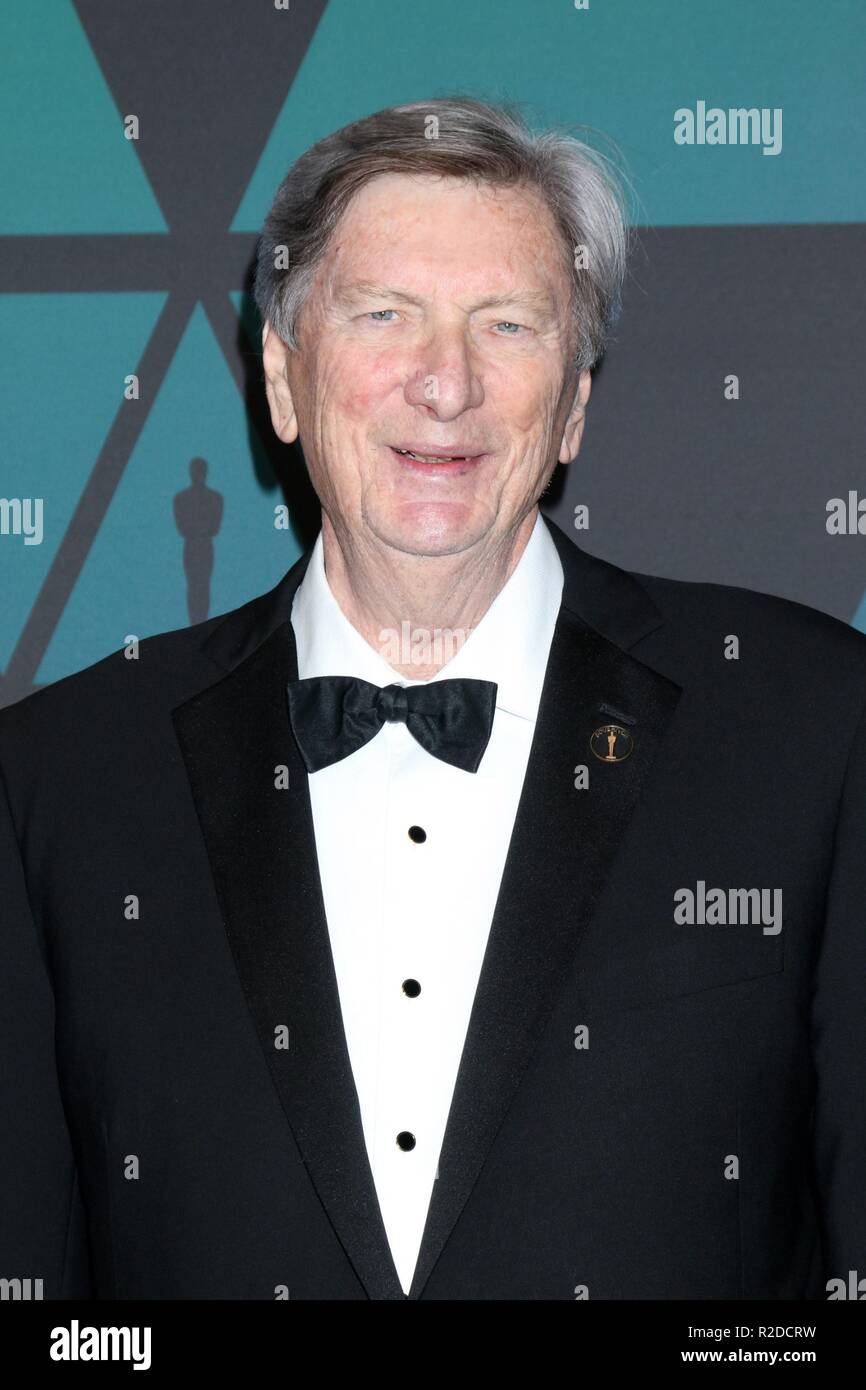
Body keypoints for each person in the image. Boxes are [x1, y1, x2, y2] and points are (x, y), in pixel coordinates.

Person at [1, 97, 864, 1301]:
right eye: (382, 316)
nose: (444, 383)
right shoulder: (59, 780)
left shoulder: (807, 726)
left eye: (507, 324)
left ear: (570, 403)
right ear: (283, 380)